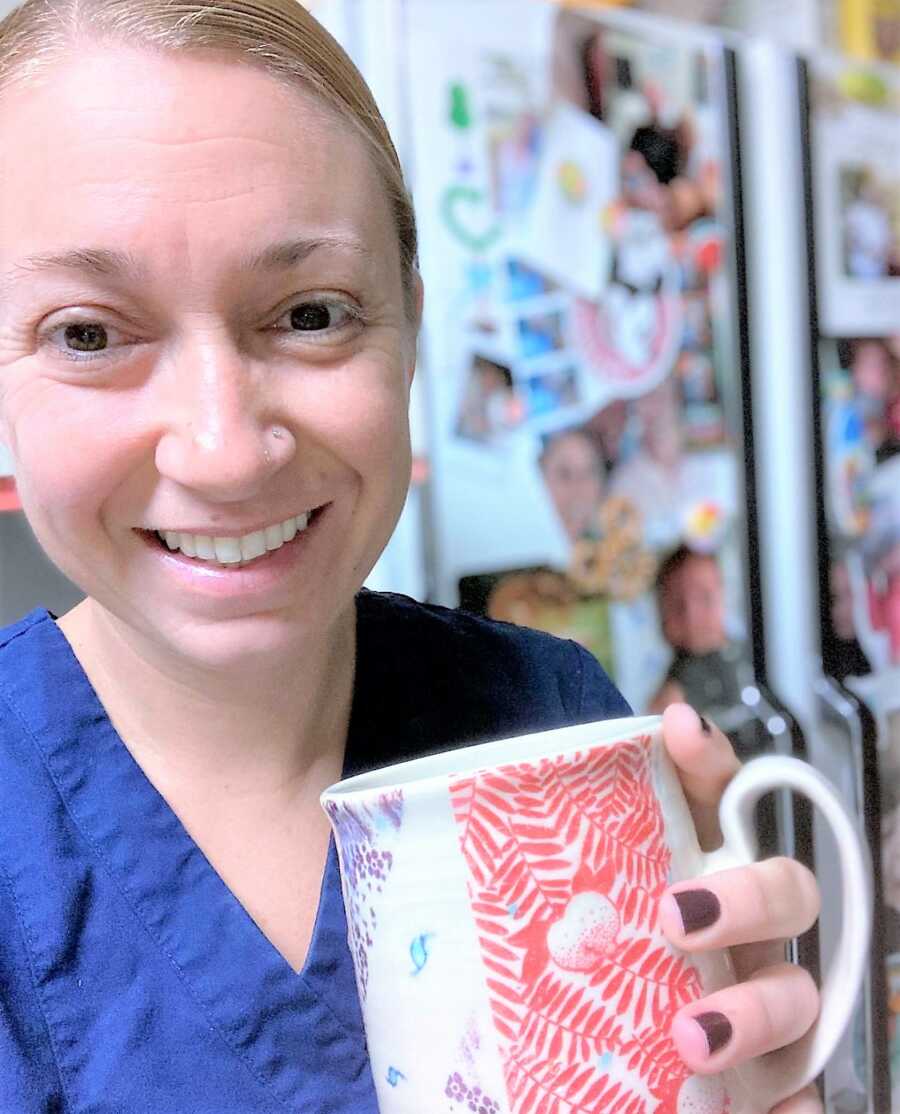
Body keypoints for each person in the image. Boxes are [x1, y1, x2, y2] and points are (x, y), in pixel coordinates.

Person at [0, 1, 822, 1110]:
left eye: (309, 313)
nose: (227, 450)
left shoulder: (547, 706)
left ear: (409, 328)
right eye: (89, 333)